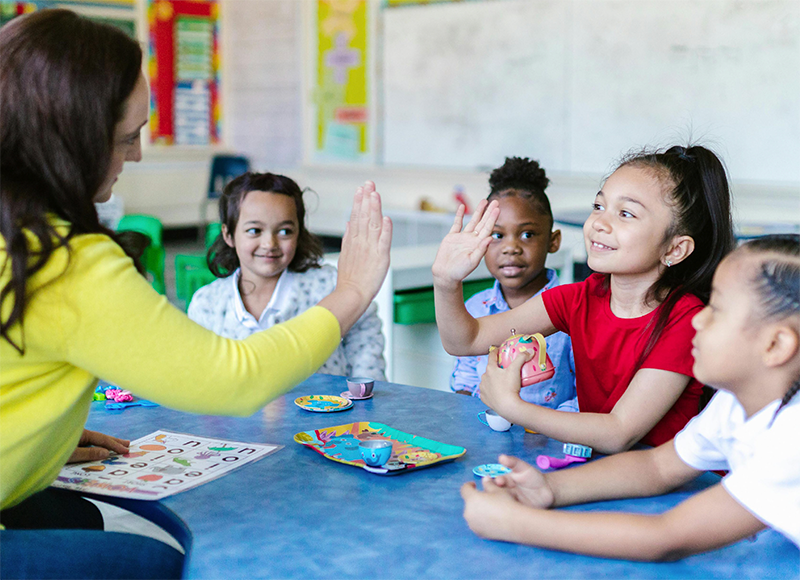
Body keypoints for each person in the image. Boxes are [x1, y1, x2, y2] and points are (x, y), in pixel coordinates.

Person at [0, 8, 390, 568]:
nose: (135, 156)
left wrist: (37, 430)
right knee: (153, 563)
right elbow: (233, 379)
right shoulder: (65, 263)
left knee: (76, 516)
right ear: (70, 138)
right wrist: (351, 290)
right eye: (126, 138)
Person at [460, 234, 800, 559]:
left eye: (718, 310)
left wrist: (515, 524)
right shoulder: (733, 402)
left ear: (776, 345)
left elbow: (667, 537)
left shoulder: (792, 436)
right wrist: (549, 488)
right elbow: (658, 467)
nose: (699, 319)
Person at [433, 145, 735, 453]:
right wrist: (446, 281)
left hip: (665, 489)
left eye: (626, 213)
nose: (599, 223)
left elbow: (619, 432)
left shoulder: (686, 320)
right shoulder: (579, 298)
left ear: (674, 249)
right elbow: (466, 341)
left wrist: (513, 407)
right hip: (598, 469)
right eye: (599, 206)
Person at [188, 172, 386, 380]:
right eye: (254, 230)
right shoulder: (207, 304)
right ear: (229, 235)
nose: (269, 244)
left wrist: (365, 398)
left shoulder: (331, 286)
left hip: (327, 412)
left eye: (284, 232)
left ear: (299, 233)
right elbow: (199, 378)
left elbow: (365, 339)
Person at [449, 157, 576, 412]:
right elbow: (465, 378)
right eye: (497, 235)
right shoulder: (475, 307)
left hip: (551, 441)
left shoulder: (573, 313)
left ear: (553, 241)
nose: (510, 248)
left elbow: (587, 395)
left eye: (527, 234)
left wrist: (550, 429)